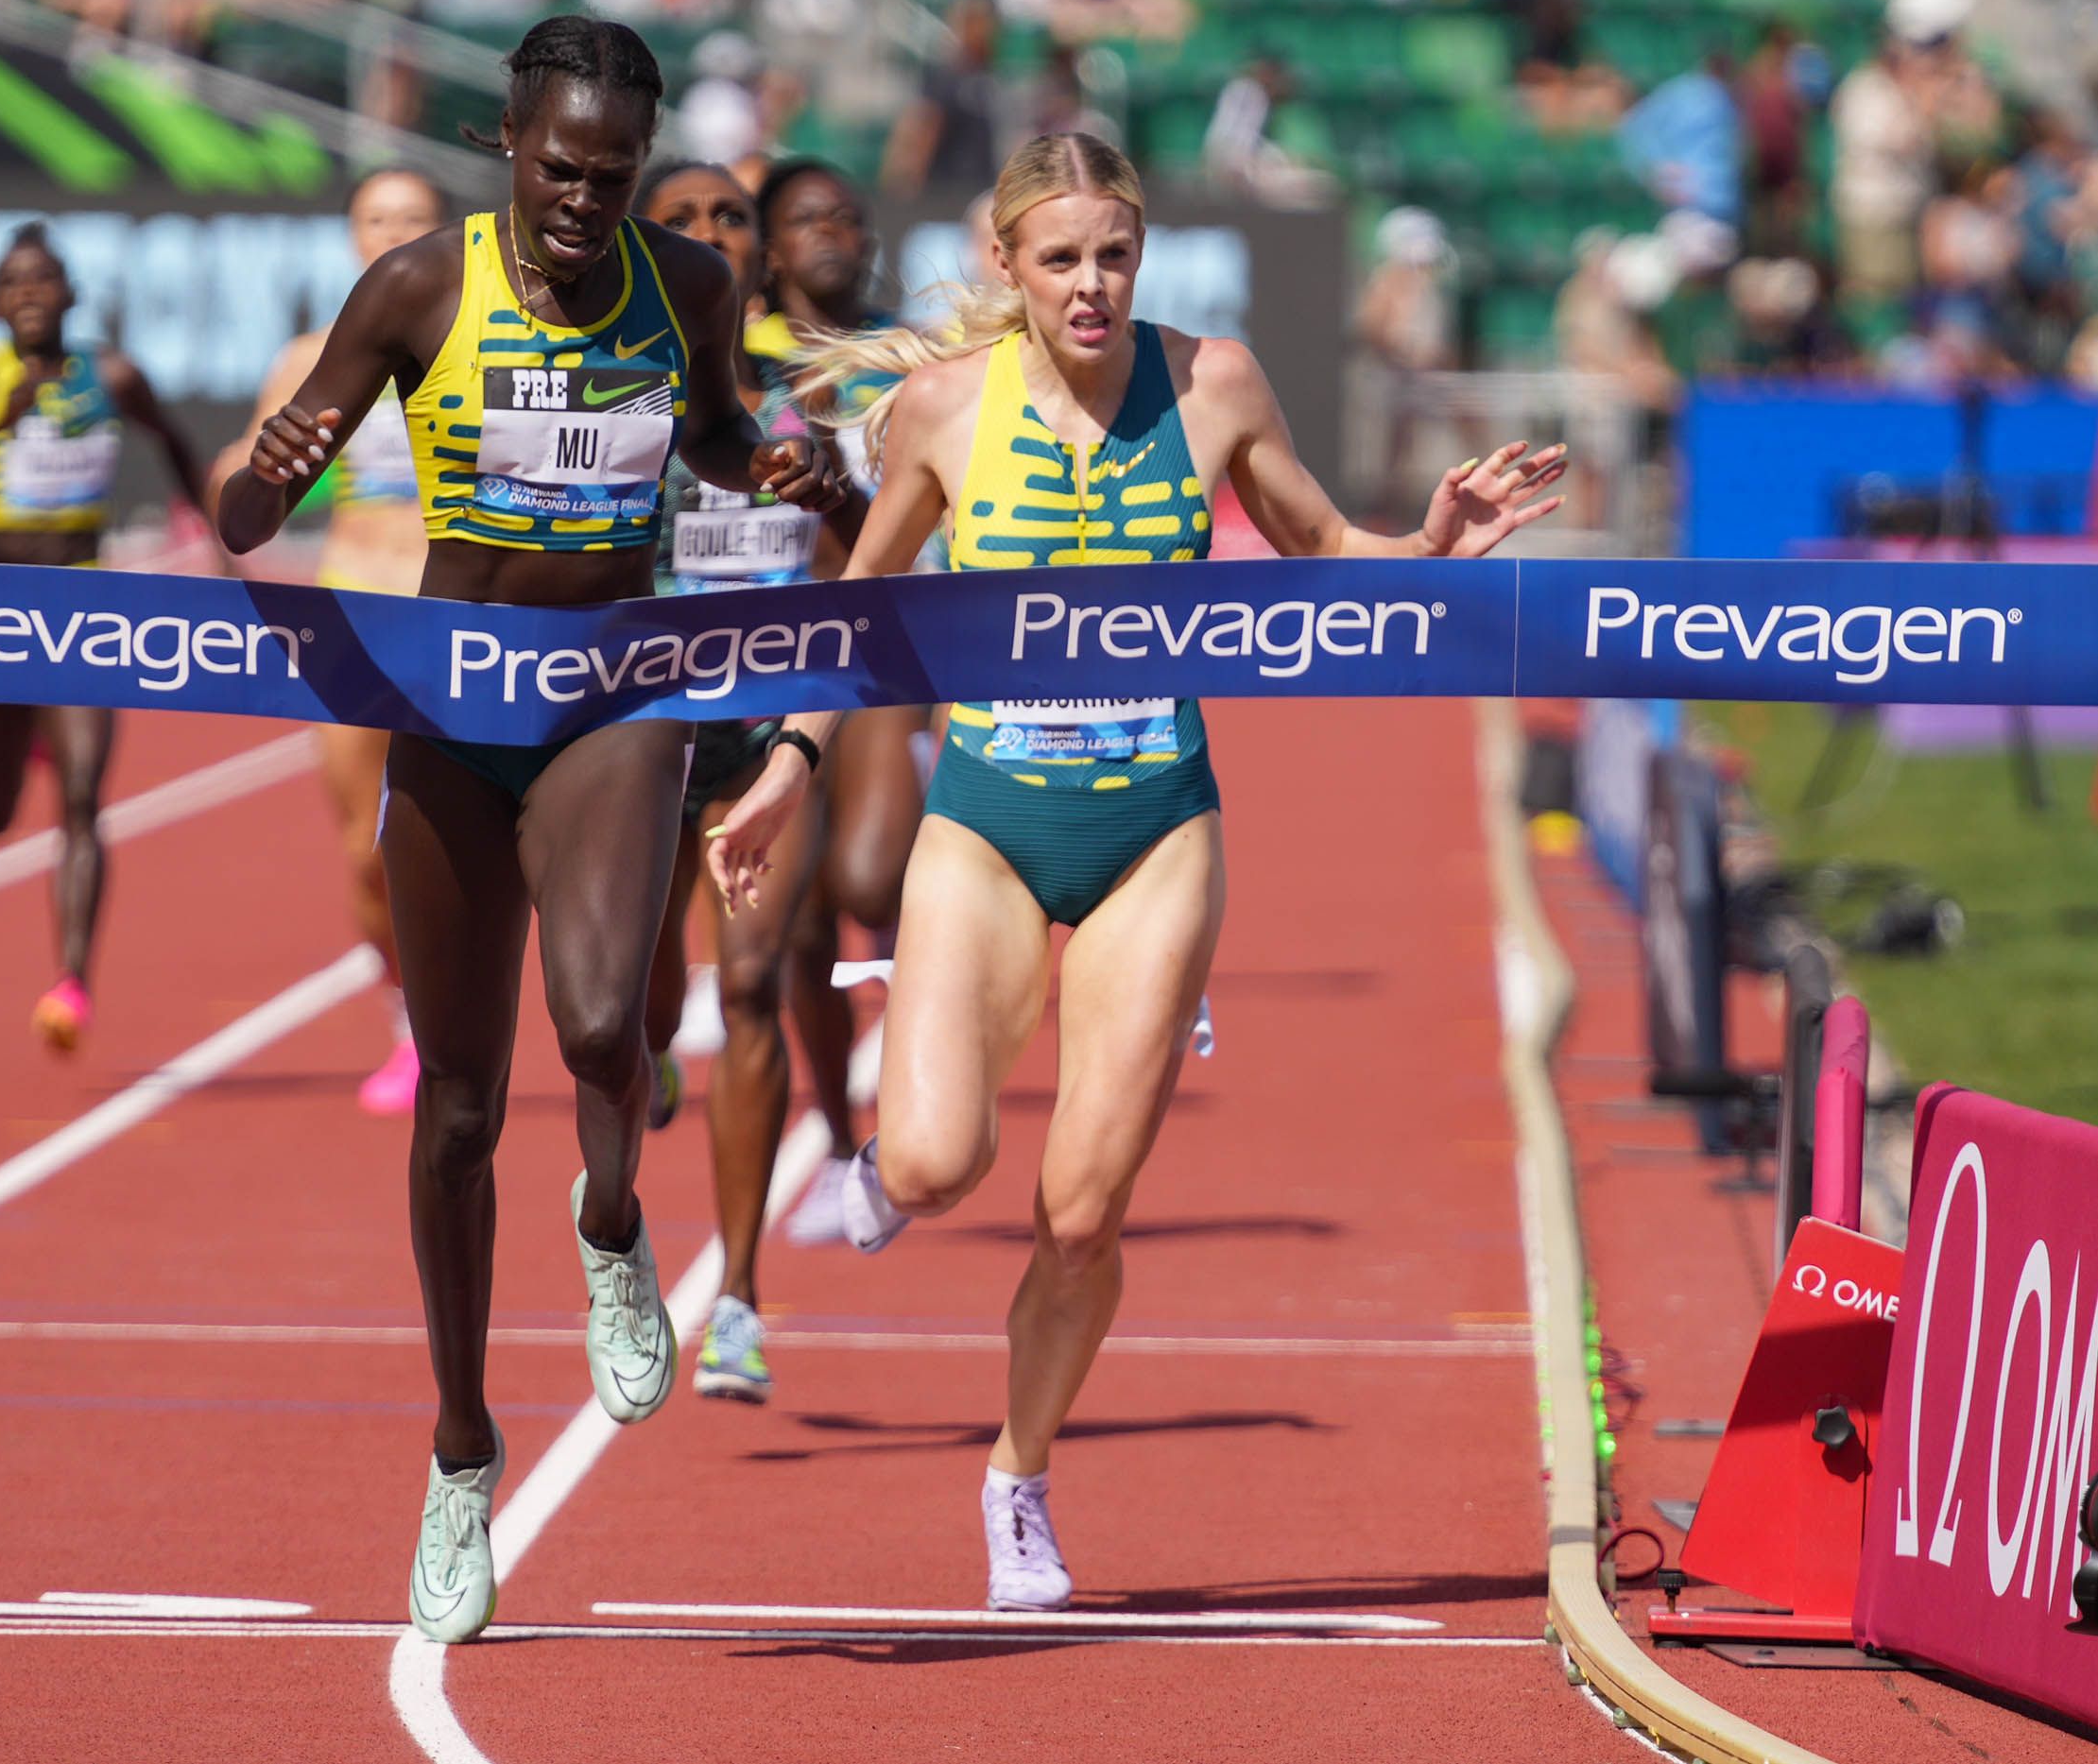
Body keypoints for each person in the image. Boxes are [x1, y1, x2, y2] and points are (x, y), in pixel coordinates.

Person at [705, 132, 1563, 1611]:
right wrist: (782, 772)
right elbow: (856, 615)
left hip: (1157, 824)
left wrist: (1431, 541)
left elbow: (1318, 549)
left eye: (1114, 254)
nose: (1092, 286)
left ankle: (1016, 1481)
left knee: (1084, 1210)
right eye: (1060, 260)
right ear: (1006, 267)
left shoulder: (1212, 383)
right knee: (927, 1162)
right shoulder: (939, 410)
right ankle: (890, 1158)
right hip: (983, 812)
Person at [216, 16, 839, 1645]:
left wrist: (766, 456)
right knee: (458, 1111)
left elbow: (707, 431)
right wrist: (265, 477)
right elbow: (241, 510)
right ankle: (457, 1453)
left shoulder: (685, 291)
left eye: (613, 176)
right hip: (450, 709)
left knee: (597, 1022)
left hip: (611, 698)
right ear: (508, 145)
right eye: (561, 170)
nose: (584, 201)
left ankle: (614, 1220)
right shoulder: (420, 288)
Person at [630, 159, 867, 1404]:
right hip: (645, 717)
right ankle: (651, 1055)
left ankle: (735, 1298)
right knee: (646, 1006)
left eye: (731, 216)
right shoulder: (613, 387)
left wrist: (832, 493)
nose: (713, 234)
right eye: (683, 220)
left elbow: (871, 552)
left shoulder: (803, 392)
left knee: (758, 980)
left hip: (771, 715)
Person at [0, 222, 211, 1052]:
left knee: (82, 798)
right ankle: (19, 735)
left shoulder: (108, 374)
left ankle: (71, 981)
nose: (31, 294)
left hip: (83, 605)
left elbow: (177, 441)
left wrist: (213, 537)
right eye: (15, 284)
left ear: (71, 295)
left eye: (45, 281)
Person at [214, 168, 451, 1114]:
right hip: (350, 614)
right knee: (365, 849)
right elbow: (245, 474)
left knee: (484, 838)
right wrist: (237, 480)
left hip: (456, 615)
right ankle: (407, 1027)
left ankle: (484, 1012)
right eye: (375, 218)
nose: (392, 233)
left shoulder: (476, 347)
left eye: (413, 218)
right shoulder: (313, 355)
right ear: (351, 235)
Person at [748, 159, 928, 1247]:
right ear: (769, 251)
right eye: (808, 219)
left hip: (893, 627)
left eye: (847, 217)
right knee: (800, 921)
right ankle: (835, 1126)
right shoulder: (740, 356)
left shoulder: (913, 351)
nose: (832, 233)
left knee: (865, 878)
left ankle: (938, 927)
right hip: (775, 636)